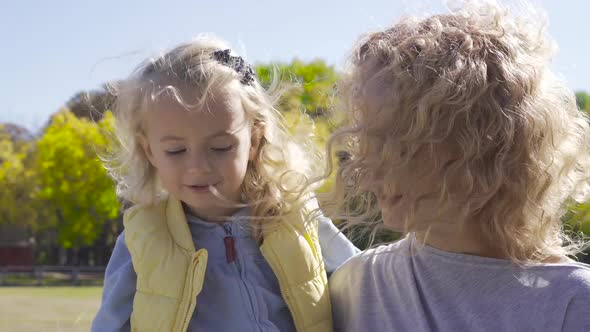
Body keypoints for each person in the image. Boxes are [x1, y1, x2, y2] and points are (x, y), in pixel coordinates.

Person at [325, 1, 590, 331]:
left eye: (399, 146)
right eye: (364, 142)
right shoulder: (359, 285)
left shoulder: (572, 303)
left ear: (485, 148)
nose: (366, 173)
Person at [91, 36, 358, 332]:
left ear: (254, 140)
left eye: (220, 147)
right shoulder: (141, 239)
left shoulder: (296, 215)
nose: (198, 167)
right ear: (149, 151)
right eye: (176, 151)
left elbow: (361, 283)